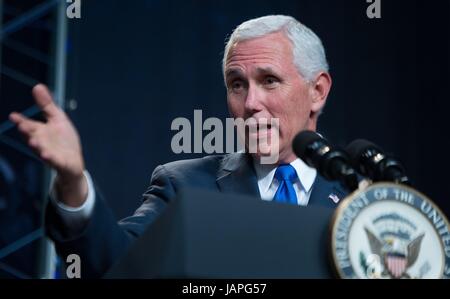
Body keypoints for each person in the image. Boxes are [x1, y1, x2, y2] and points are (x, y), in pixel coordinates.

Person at [9, 15, 348, 278]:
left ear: (317, 91)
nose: (250, 103)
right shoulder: (185, 184)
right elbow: (119, 265)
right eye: (237, 84)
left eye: (269, 80)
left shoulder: (364, 192)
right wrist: (72, 183)